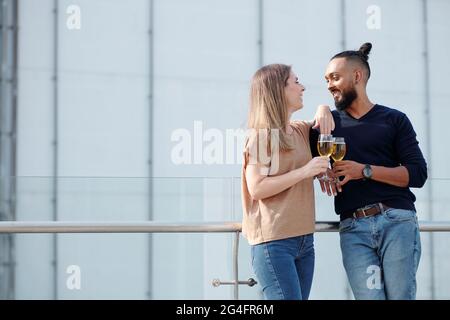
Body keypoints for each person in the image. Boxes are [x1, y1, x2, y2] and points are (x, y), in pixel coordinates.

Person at [310, 43, 428, 299]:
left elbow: (418, 174)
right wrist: (320, 110)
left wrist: (363, 170)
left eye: (335, 77)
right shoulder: (326, 125)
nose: (329, 84)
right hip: (353, 228)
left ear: (357, 76)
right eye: (326, 80)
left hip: (397, 221)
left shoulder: (394, 119)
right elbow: (299, 155)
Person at [241, 63, 334, 300]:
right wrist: (305, 171)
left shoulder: (301, 130)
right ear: (278, 90)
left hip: (305, 240)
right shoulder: (261, 137)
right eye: (295, 82)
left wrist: (324, 108)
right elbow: (257, 187)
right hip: (274, 243)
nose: (302, 87)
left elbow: (322, 118)